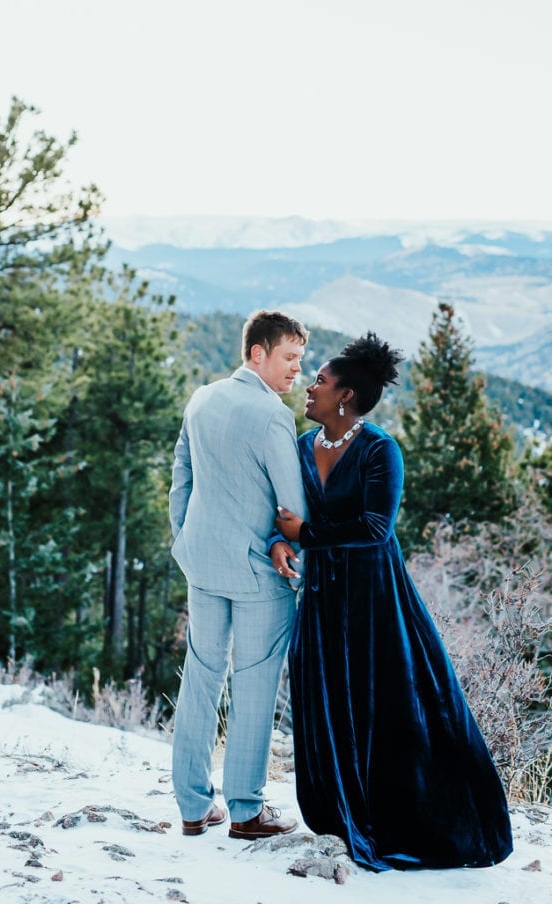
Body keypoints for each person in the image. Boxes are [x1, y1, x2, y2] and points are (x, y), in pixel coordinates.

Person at [273, 332, 514, 872]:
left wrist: (307, 534)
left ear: (347, 396)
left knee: (389, 706)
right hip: (321, 598)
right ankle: (339, 812)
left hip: (374, 598)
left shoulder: (381, 449)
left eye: (321, 381)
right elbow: (281, 513)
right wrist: (280, 539)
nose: (310, 387)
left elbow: (377, 528)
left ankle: (413, 821)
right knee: (327, 697)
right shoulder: (299, 446)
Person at [169, 309, 309, 841]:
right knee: (253, 686)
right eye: (289, 357)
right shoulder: (272, 415)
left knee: (201, 677)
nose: (297, 369)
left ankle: (192, 806)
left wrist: (182, 538)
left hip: (202, 563)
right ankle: (247, 811)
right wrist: (297, 563)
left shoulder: (201, 397)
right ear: (258, 353)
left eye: (300, 359)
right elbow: (292, 506)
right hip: (259, 575)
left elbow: (181, 473)